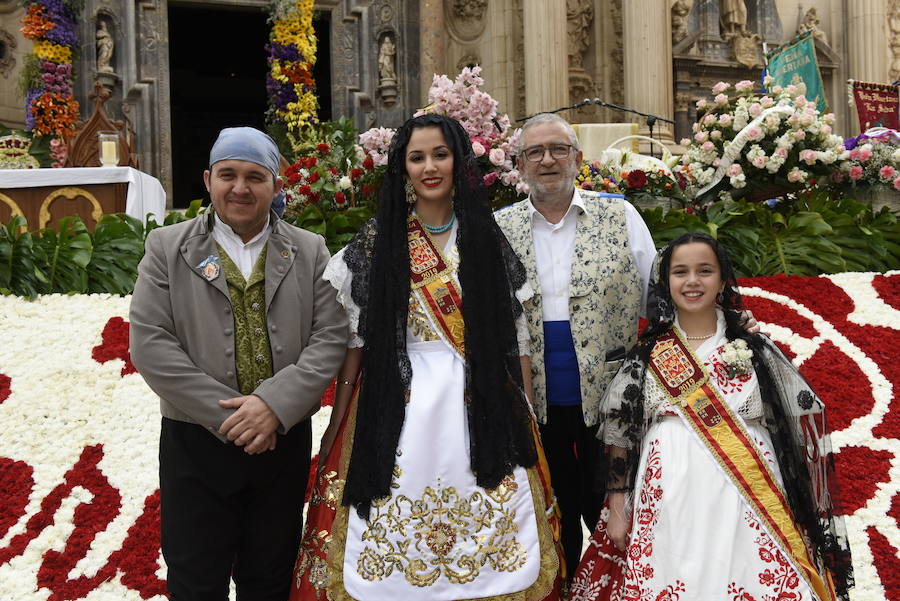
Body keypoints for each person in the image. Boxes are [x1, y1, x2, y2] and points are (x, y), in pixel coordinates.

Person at [290, 114, 562, 601]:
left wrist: (525, 412)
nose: (430, 166)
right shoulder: (378, 241)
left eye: (441, 154)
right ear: (403, 168)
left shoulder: (485, 237)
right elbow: (356, 339)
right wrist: (339, 411)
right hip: (396, 399)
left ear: (459, 161)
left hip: (481, 404)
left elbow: (514, 336)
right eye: (417, 157)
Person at [569, 233, 854, 601]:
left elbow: (794, 419)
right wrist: (619, 503)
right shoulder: (649, 353)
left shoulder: (752, 344)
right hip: (668, 490)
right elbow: (621, 433)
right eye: (680, 272)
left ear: (722, 279)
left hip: (745, 489)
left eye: (705, 271)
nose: (692, 281)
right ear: (665, 282)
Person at [129, 126, 348, 600]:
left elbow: (330, 335)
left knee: (270, 577)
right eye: (228, 175)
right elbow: (151, 343)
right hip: (194, 443)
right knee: (194, 579)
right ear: (208, 180)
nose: (240, 188)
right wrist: (234, 416)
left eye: (255, 176)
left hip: (281, 444)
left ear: (276, 185)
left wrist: (273, 406)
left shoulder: (308, 250)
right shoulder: (168, 247)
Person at [494, 113, 657, 581]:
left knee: (613, 510)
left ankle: (619, 589)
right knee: (550, 512)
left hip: (611, 398)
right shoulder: (496, 228)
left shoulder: (620, 214)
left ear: (577, 158)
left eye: (558, 149)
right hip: (531, 398)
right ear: (520, 165)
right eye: (535, 153)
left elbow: (658, 295)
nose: (547, 160)